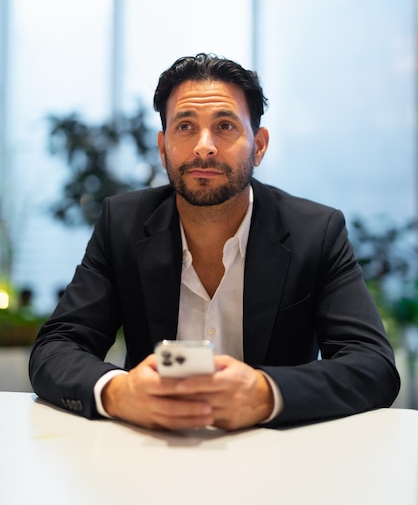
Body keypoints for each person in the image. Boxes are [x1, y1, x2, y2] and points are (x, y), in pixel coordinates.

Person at [29, 53, 400, 430]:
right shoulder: (122, 224)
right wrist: (117, 392)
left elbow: (372, 365)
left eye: (224, 126)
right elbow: (56, 348)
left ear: (258, 144)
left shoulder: (315, 232)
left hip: (280, 459)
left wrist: (266, 394)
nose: (203, 146)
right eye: (185, 126)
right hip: (150, 451)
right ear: (163, 147)